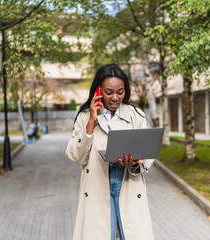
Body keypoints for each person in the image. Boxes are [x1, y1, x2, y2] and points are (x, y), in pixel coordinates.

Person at [66, 64, 154, 240]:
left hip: (127, 186)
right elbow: (76, 156)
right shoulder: (85, 117)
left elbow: (147, 157)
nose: (115, 97)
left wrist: (135, 165)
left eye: (120, 92)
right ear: (98, 91)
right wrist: (91, 123)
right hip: (98, 188)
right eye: (109, 92)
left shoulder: (136, 115)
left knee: (130, 233)